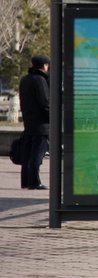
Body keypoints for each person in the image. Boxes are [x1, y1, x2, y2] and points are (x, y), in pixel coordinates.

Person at [19, 54, 50, 190]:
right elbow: (45, 103)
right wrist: (53, 118)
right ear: (44, 66)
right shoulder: (40, 80)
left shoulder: (25, 80)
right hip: (41, 125)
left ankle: (26, 180)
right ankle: (34, 181)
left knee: (28, 154)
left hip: (29, 122)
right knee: (38, 154)